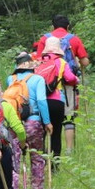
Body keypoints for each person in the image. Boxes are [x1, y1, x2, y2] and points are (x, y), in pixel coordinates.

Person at [34, 15, 90, 156]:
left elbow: (39, 61)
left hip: (46, 86)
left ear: (53, 26)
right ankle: (69, 151)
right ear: (68, 26)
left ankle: (43, 153)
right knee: (69, 116)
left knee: (45, 119)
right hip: (68, 83)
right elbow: (85, 63)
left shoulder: (44, 39)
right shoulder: (74, 39)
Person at [7, 53, 50, 189]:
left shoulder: (10, 79)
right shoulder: (38, 79)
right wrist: (47, 122)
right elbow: (42, 101)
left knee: (15, 158)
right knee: (36, 156)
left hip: (14, 123)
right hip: (33, 122)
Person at [33, 36, 78, 171]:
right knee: (56, 133)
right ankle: (55, 165)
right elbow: (70, 78)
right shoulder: (61, 62)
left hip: (40, 102)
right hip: (57, 101)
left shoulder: (38, 62)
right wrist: (77, 80)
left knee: (42, 133)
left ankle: (41, 163)